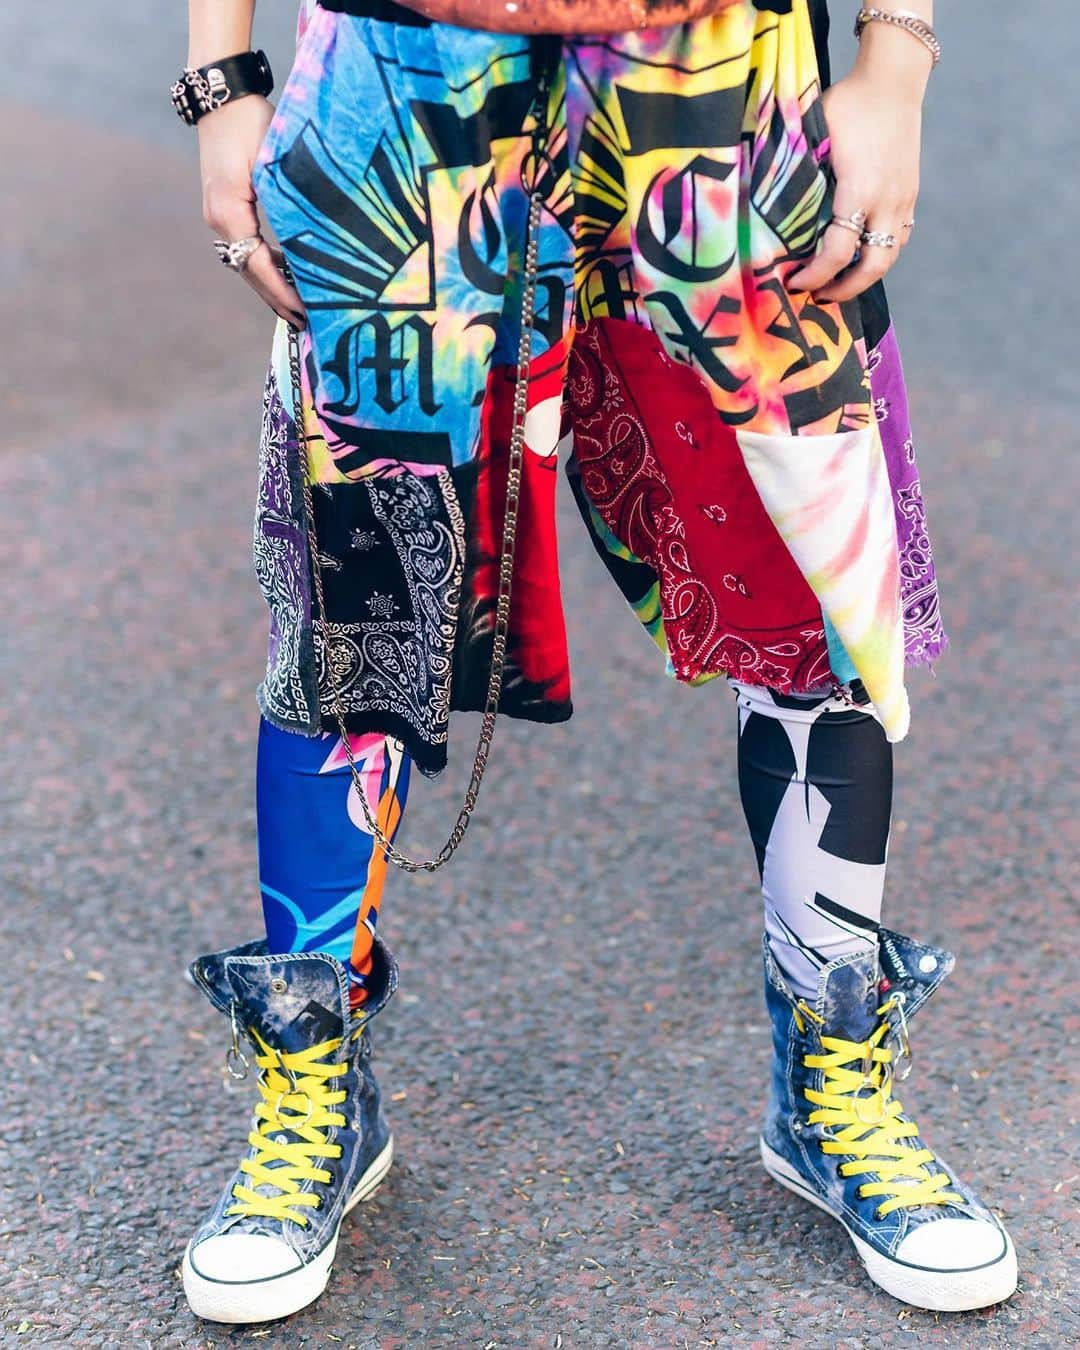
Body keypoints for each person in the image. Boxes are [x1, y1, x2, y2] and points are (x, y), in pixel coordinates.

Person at [174, 0, 1017, 1324]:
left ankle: (831, 1073)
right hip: (404, 72)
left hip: (722, 64)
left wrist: (895, 58)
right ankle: (311, 1075)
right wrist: (219, 80)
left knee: (810, 572)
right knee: (360, 597)